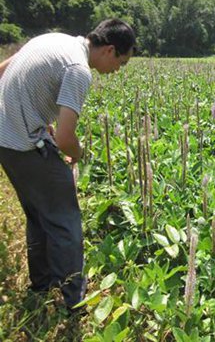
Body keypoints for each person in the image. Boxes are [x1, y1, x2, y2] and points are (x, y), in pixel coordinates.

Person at [0, 19, 136, 312]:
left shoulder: (55, 39)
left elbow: (6, 67)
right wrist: (81, 153)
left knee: (38, 213)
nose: (116, 72)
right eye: (121, 63)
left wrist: (28, 115)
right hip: (24, 144)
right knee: (65, 220)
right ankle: (74, 300)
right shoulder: (78, 71)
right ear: (110, 50)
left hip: (5, 140)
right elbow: (65, 139)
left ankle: (41, 283)